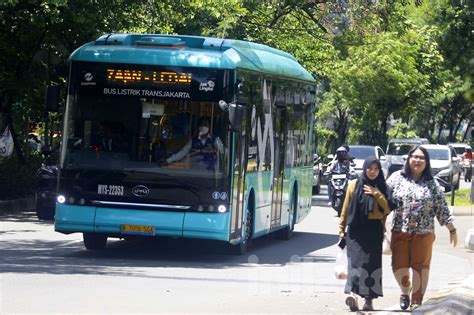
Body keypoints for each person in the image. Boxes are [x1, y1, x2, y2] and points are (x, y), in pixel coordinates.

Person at [386, 146, 457, 311]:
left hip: (423, 234)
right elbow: (383, 200)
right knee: (398, 266)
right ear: (409, 159)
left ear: (426, 162)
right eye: (414, 157)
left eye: (421, 158)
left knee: (421, 267)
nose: (417, 160)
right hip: (400, 231)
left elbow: (442, 210)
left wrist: (452, 230)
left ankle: (417, 301)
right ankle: (405, 291)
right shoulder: (397, 178)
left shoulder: (433, 184)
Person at [338, 156, 393, 312]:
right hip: (355, 230)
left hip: (373, 230)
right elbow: (345, 208)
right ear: (364, 169)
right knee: (355, 263)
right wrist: (341, 229)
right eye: (369, 168)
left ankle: (369, 301)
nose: (372, 172)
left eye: (376, 169)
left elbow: (388, 208)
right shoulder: (353, 185)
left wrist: (377, 194)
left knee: (371, 266)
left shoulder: (383, 186)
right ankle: (354, 295)